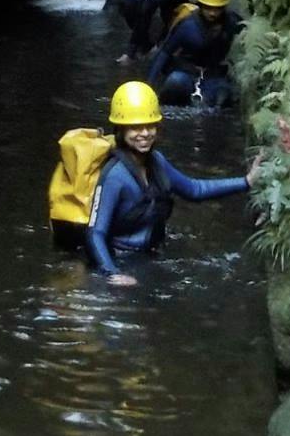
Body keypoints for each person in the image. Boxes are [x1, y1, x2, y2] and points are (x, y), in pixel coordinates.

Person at [88, 82, 256, 286]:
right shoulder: (114, 176)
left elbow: (194, 190)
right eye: (135, 127)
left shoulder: (157, 162)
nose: (145, 133)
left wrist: (246, 181)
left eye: (150, 126)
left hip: (150, 256)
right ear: (121, 130)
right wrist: (112, 274)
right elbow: (96, 232)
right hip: (121, 260)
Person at [147, 0, 243, 107]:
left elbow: (250, 34)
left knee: (224, 96)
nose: (212, 13)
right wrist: (148, 87)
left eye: (217, 8)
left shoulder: (231, 22)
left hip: (213, 77)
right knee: (174, 83)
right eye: (208, 8)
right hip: (186, 75)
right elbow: (164, 53)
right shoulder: (187, 26)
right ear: (200, 4)